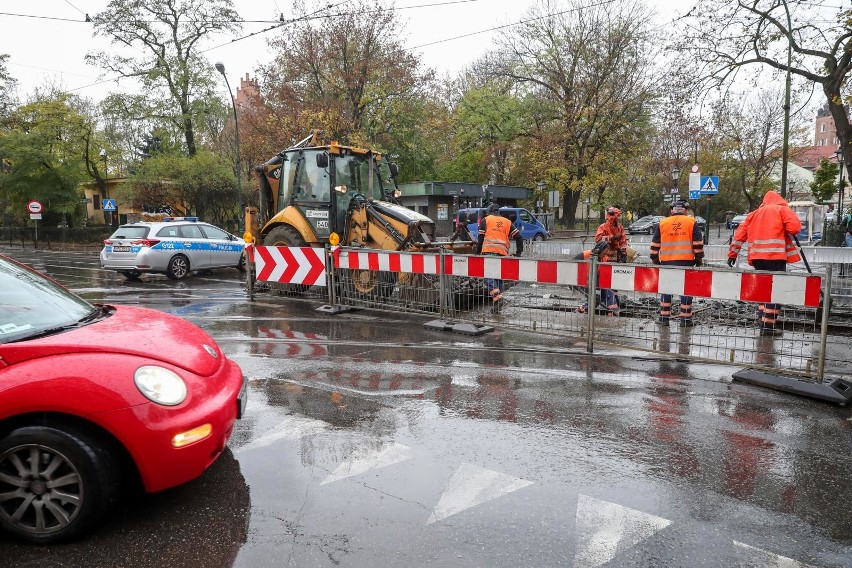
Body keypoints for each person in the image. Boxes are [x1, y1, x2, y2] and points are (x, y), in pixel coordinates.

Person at [728, 190, 802, 336]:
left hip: (757, 259)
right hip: (775, 257)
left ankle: (763, 321)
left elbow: (739, 236)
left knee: (763, 289)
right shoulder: (782, 209)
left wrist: (732, 254)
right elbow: (794, 228)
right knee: (775, 291)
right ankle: (768, 327)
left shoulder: (753, 214)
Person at [650, 200, 704, 327]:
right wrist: (699, 259)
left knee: (666, 289)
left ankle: (664, 318)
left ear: (671, 211)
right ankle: (685, 320)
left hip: (667, 262)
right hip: (686, 262)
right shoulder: (691, 222)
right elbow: (698, 244)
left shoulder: (663, 223)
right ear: (686, 210)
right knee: (685, 290)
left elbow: (655, 245)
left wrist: (655, 261)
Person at [477, 203, 523, 312]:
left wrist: (477, 253)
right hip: (502, 254)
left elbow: (480, 238)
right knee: (498, 278)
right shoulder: (507, 222)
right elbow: (519, 237)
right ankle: (497, 306)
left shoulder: (486, 220)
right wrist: (518, 253)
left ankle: (498, 298)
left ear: (489, 212)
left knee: (487, 276)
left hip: (488, 253)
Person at [592, 207, 628, 315]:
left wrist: (624, 253)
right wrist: (611, 237)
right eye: (615, 216)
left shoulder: (620, 228)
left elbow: (623, 241)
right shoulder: (603, 227)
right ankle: (611, 307)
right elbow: (598, 239)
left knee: (615, 283)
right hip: (605, 260)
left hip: (615, 259)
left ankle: (614, 303)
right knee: (606, 283)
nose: (616, 219)